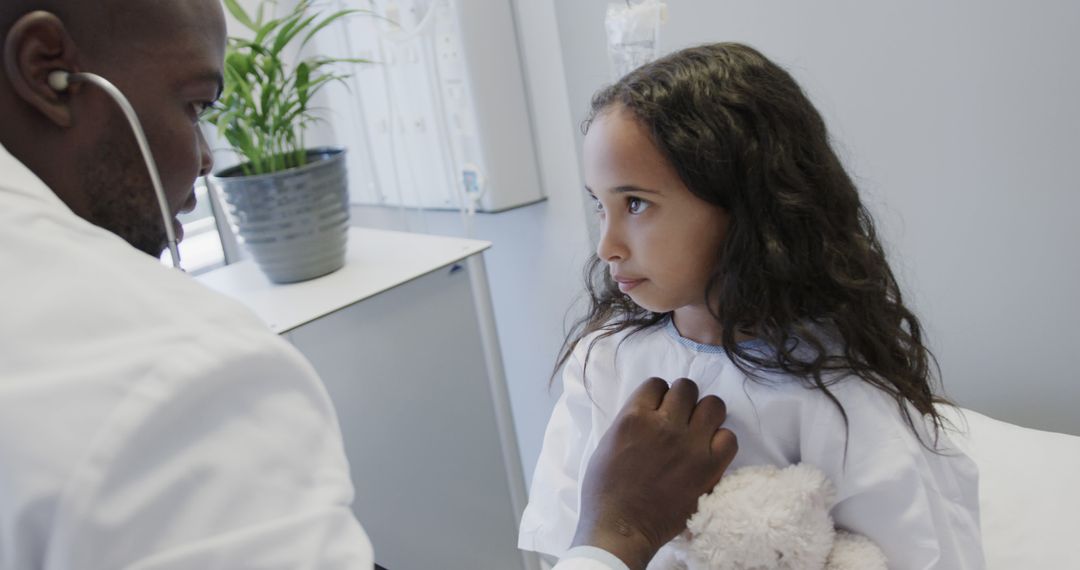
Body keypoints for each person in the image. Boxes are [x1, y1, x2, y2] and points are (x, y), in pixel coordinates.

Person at [0, 2, 738, 569]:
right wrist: (617, 536)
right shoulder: (169, 371)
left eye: (637, 204)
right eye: (192, 105)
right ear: (46, 70)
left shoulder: (831, 377)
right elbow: (558, 524)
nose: (204, 159)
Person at [519, 43, 985, 568]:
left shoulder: (835, 397)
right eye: (599, 205)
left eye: (636, 203)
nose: (607, 246)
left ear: (746, 206)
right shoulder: (605, 359)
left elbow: (922, 552)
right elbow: (569, 537)